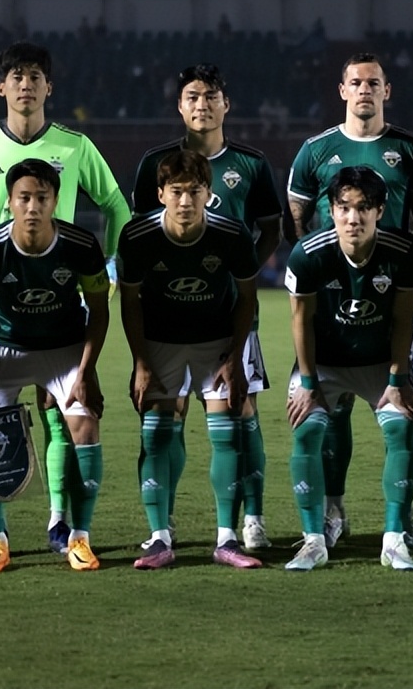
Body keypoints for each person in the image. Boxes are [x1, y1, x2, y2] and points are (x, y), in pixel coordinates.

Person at [0, 41, 131, 559]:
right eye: (16, 76)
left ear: (48, 87)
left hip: (60, 304)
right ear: (1, 87)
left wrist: (109, 267)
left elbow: (115, 204)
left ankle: (62, 521)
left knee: (62, 417)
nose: (25, 85)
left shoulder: (75, 146)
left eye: (35, 76)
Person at [287, 52, 413, 549]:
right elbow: (298, 217)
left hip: (389, 294)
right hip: (334, 298)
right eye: (356, 82)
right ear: (342, 90)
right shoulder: (316, 150)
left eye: (374, 83)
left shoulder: (410, 149)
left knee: (401, 402)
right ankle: (333, 510)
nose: (365, 90)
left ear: (386, 91)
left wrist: (396, 266)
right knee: (333, 409)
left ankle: (403, 515)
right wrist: (325, 265)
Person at [130, 63, 283, 551]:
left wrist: (240, 272)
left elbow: (272, 228)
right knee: (167, 412)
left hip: (232, 312)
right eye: (193, 96)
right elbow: (144, 234)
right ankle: (164, 521)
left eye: (211, 96)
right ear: (180, 106)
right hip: (168, 314)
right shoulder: (155, 163)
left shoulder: (251, 164)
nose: (202, 105)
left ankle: (252, 518)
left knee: (242, 409)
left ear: (226, 104)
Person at [0, 159, 111, 573]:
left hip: (63, 348)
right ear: (9, 202)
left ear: (55, 201)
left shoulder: (81, 245)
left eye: (42, 198)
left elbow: (99, 311)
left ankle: (80, 538)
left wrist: (86, 371)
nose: (32, 207)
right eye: (24, 198)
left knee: (85, 425)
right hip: (2, 347)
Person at [118, 149, 266, 571]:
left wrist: (235, 357)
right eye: (177, 191)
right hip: (160, 340)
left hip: (214, 339)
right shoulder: (137, 236)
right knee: (155, 435)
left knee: (227, 431)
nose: (185, 201)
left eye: (195, 191)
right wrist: (141, 362)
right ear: (160, 194)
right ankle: (159, 539)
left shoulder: (232, 234)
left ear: (208, 193)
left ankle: (227, 539)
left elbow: (247, 298)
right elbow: (130, 302)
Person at [283, 166, 413, 571]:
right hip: (325, 362)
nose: (353, 218)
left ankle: (394, 540)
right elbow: (300, 321)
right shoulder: (308, 254)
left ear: (380, 211)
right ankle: (313, 541)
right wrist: (308, 382)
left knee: (401, 426)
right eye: (344, 207)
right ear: (330, 210)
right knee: (306, 427)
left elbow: (403, 320)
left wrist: (398, 380)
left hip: (379, 360)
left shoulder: (404, 253)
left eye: (363, 208)